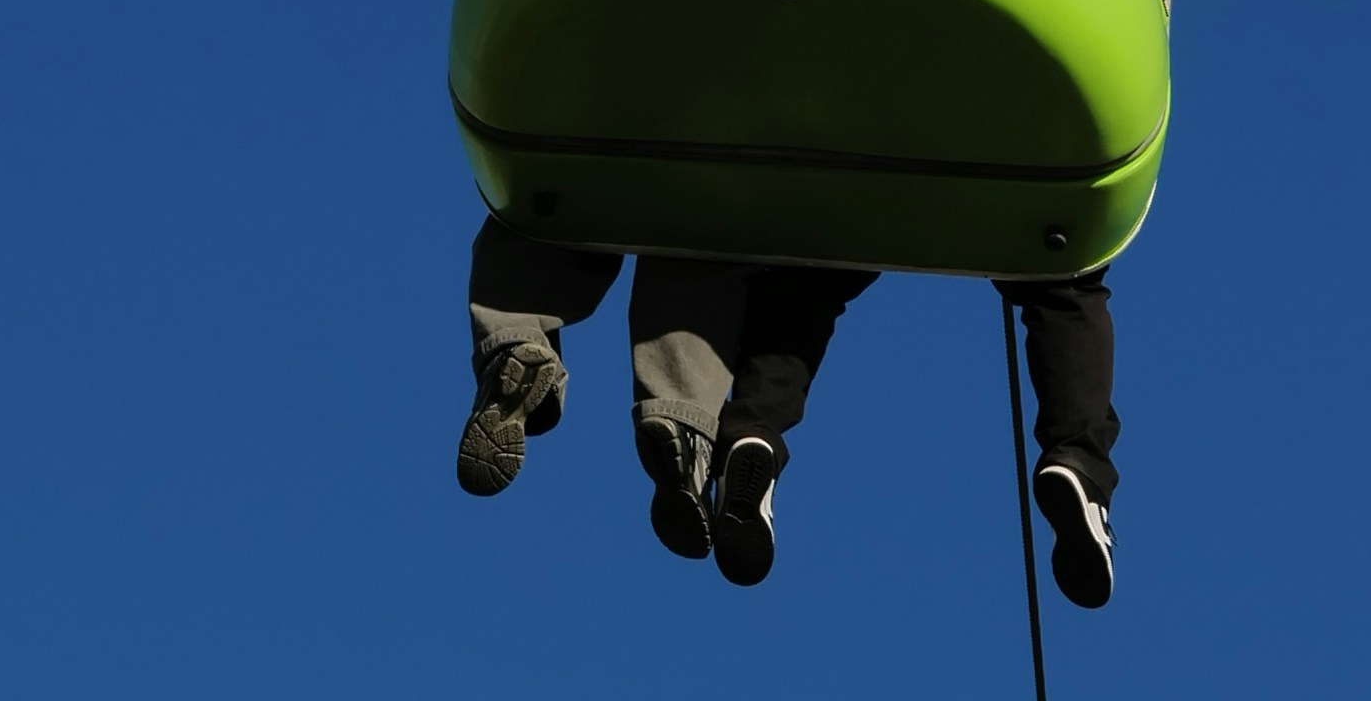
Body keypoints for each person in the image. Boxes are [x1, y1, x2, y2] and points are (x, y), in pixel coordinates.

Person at [454, 230, 1119, 604]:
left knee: (784, 252)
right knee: (1065, 281)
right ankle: (1077, 463)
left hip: (824, 96)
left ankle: (745, 432)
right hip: (988, 104)